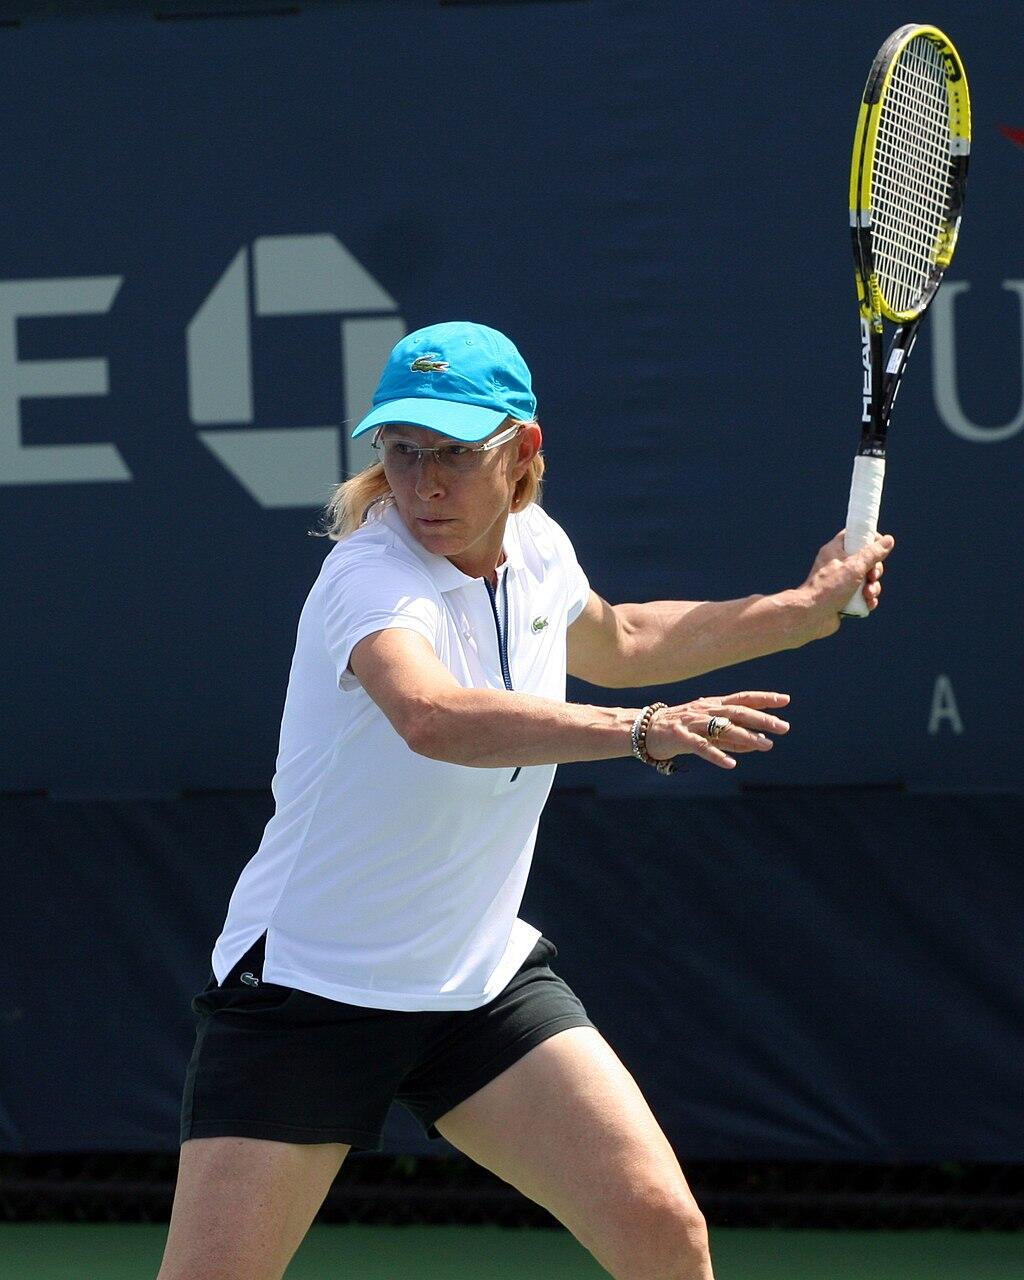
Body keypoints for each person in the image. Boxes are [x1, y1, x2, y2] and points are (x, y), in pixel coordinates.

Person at [158, 321, 893, 1280]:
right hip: (310, 989)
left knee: (663, 1230)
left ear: (523, 452)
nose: (424, 484)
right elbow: (429, 716)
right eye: (402, 451)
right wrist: (635, 731)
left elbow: (622, 639)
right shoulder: (367, 577)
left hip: (472, 982)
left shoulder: (538, 549)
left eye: (456, 456)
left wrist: (801, 613)